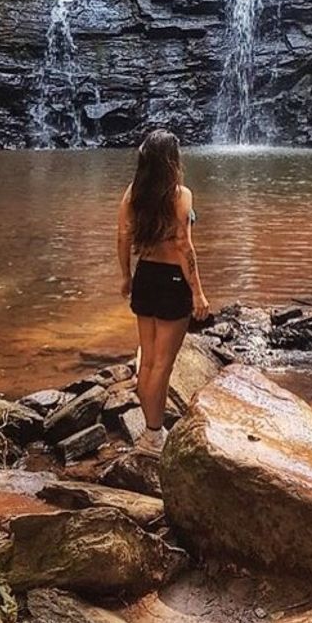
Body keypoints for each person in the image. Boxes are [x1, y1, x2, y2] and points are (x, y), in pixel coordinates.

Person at [117, 129, 209, 455]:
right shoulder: (181, 195)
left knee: (147, 362)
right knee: (162, 365)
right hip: (172, 281)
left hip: (145, 276)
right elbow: (184, 246)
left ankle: (151, 430)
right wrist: (197, 292)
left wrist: (126, 276)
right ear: (172, 160)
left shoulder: (133, 193)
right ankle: (153, 435)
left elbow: (123, 235)